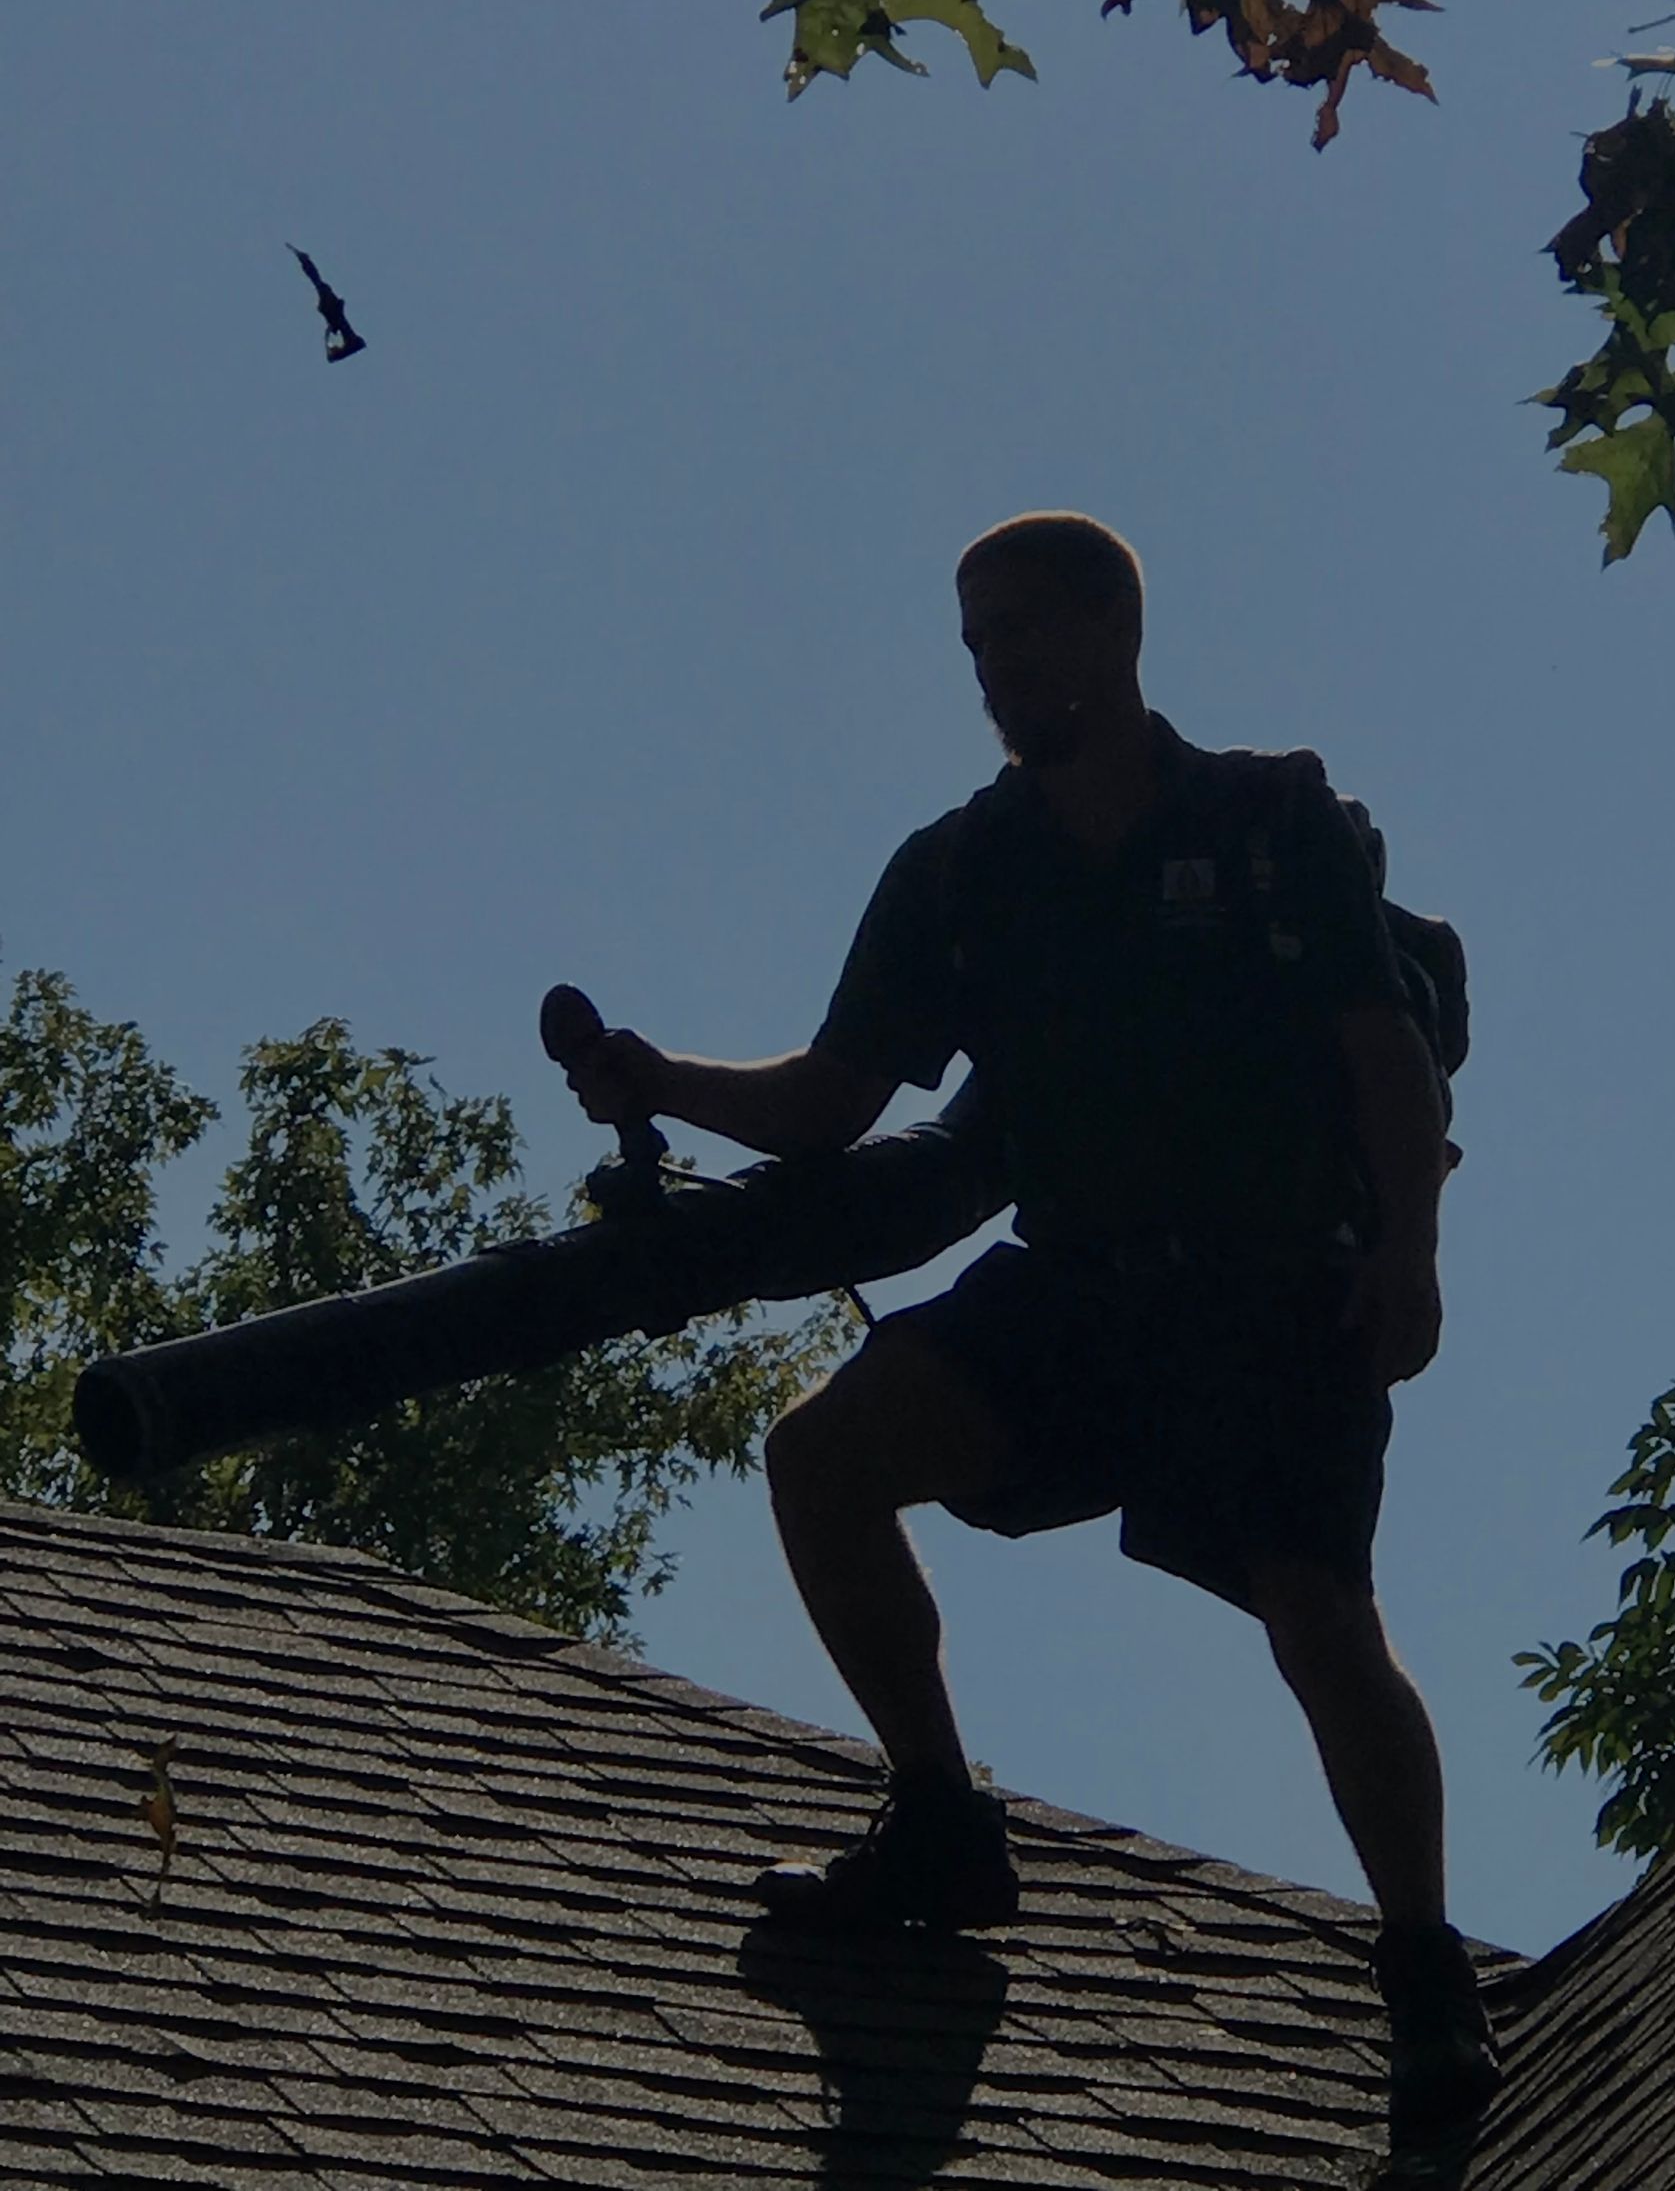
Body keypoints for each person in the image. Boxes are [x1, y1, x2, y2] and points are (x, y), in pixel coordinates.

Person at [565, 512, 1499, 2132]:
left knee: (1318, 1617)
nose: (998, 667)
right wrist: (660, 1084)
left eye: (1023, 631)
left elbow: (1383, 1061)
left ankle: (1424, 1973)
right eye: (976, 642)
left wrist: (1409, 1260)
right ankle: (937, 1819)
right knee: (825, 1459)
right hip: (1080, 1289)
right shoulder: (961, 872)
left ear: (1114, 629)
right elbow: (830, 1097)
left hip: (1279, 1290)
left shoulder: (1270, 817)